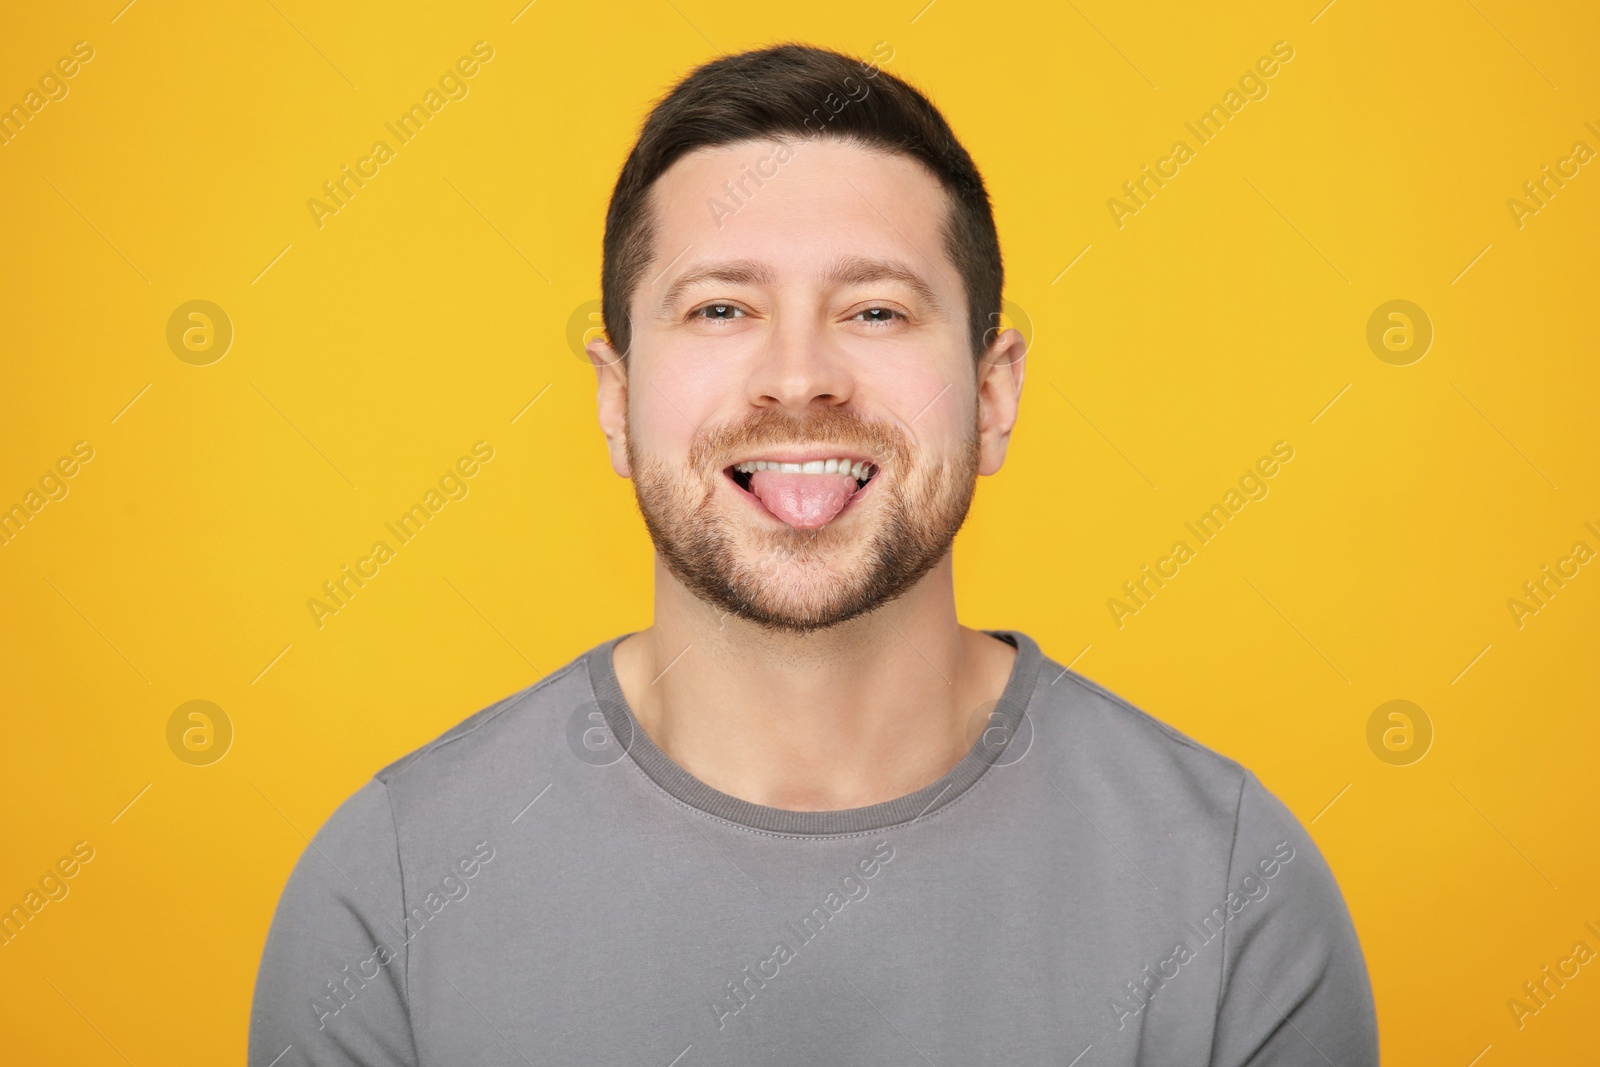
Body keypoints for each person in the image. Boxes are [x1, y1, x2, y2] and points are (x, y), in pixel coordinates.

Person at [249, 43, 1378, 1065]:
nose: (799, 376)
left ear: (992, 396)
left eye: (877, 312)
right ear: (616, 396)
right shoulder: (387, 891)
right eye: (721, 310)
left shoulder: (1235, 889)